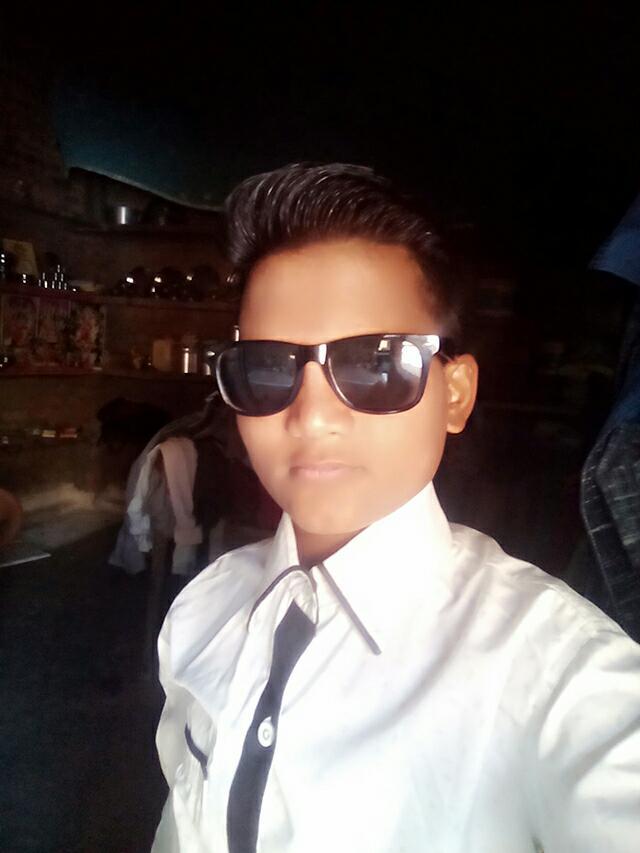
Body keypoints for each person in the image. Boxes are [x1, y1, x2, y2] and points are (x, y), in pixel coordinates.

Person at [151, 163, 640, 853]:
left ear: (455, 395)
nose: (312, 416)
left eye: (375, 364)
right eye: (266, 367)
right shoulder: (202, 611)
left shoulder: (558, 676)